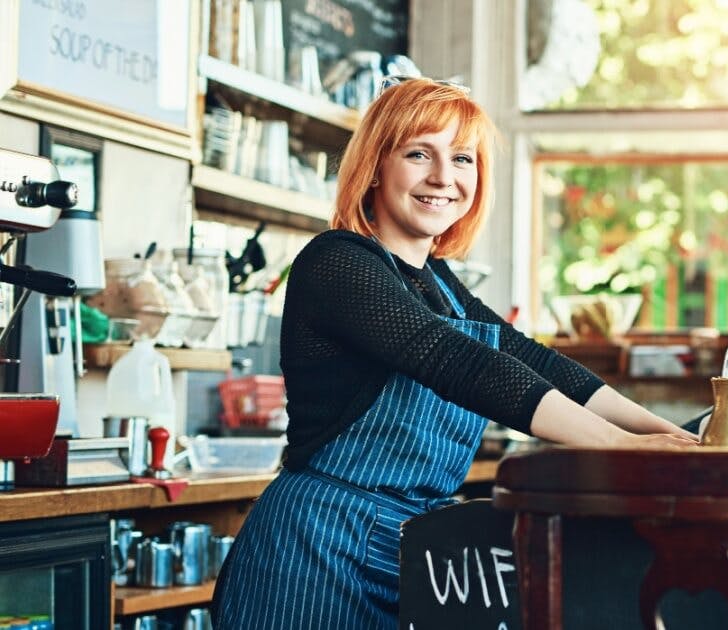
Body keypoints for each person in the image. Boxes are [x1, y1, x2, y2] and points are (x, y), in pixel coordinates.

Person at [211, 77, 697, 629]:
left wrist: (667, 435)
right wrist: (617, 446)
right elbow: (454, 360)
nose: (444, 177)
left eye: (462, 158)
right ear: (374, 166)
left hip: (408, 547)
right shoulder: (336, 262)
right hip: (315, 552)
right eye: (419, 153)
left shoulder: (437, 282)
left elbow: (531, 359)